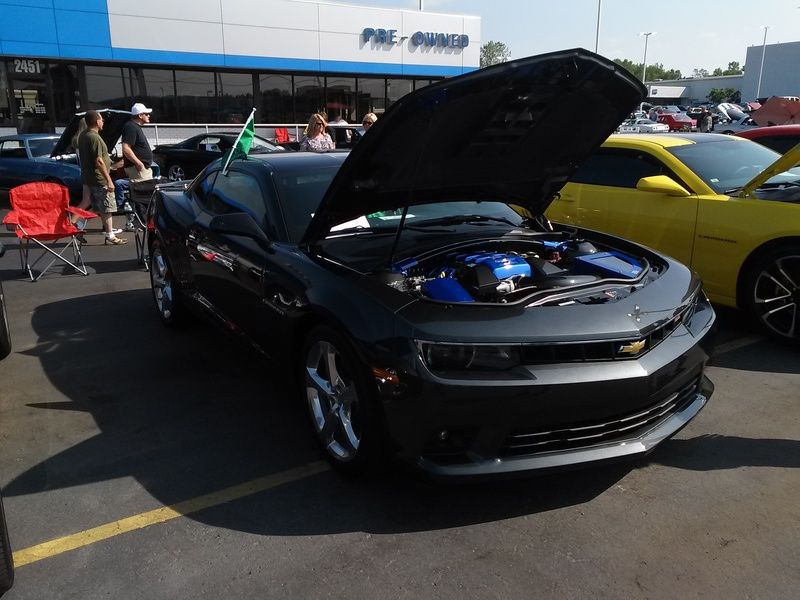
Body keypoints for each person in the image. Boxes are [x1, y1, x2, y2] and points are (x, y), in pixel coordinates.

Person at [78, 110, 127, 245]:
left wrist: (112, 164)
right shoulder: (94, 138)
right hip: (99, 178)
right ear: (96, 121)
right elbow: (98, 161)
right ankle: (110, 235)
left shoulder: (84, 135)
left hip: (89, 177)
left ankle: (78, 226)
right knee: (107, 207)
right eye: (101, 119)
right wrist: (109, 180)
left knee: (96, 206)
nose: (103, 122)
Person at [120, 102, 154, 231]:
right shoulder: (131, 127)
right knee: (141, 195)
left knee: (144, 195)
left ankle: (142, 222)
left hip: (141, 168)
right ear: (140, 115)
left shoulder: (134, 127)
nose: (148, 116)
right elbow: (126, 148)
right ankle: (141, 223)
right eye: (146, 114)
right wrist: (138, 162)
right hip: (138, 169)